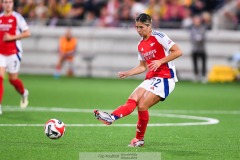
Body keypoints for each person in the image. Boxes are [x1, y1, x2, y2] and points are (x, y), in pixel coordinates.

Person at [94, 13, 182, 147]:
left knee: (142, 105)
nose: (138, 30)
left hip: (165, 78)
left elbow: (178, 51)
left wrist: (160, 61)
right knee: (133, 98)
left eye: (141, 27)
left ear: (149, 25)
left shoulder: (159, 37)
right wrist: (128, 73)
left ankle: (139, 139)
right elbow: (142, 67)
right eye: (136, 27)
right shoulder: (140, 45)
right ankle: (111, 117)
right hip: (151, 77)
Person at [0, 0, 31, 115]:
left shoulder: (17, 17)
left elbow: (27, 33)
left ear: (12, 4)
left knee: (12, 80)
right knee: (0, 78)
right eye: (5, 2)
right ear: (2, 4)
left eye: (10, 2)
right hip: (1, 54)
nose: (7, 4)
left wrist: (12, 37)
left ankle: (23, 92)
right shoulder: (0, 18)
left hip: (13, 53)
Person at [190, 14, 207, 82]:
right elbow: (192, 38)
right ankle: (196, 75)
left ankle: (203, 76)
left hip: (201, 49)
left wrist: (199, 38)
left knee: (203, 63)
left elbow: (203, 37)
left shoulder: (202, 28)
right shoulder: (192, 29)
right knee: (195, 63)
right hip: (195, 49)